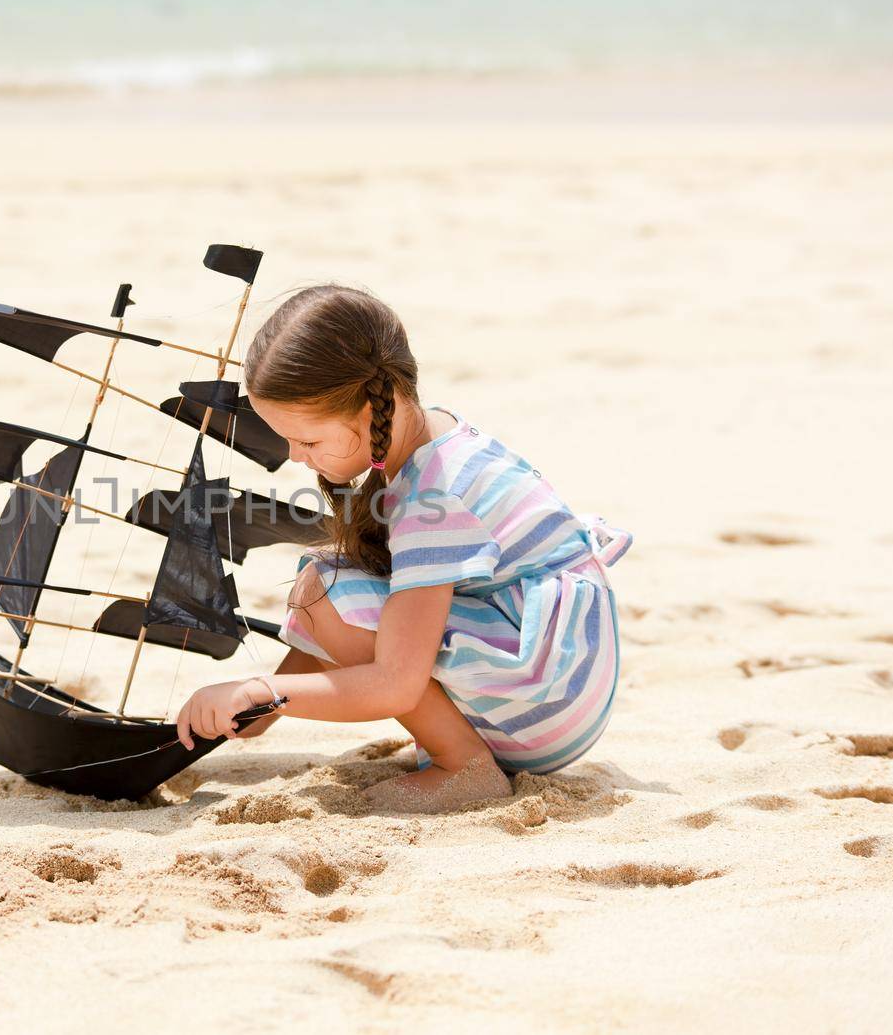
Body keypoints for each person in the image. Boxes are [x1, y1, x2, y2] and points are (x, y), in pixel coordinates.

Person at [172, 285, 632, 808]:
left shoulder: (432, 496)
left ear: (370, 410)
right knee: (326, 584)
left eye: (309, 441)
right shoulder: (431, 432)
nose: (296, 457)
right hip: (564, 681)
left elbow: (395, 684)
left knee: (326, 588)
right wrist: (260, 711)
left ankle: (464, 767)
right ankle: (461, 749)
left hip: (548, 700)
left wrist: (264, 691)